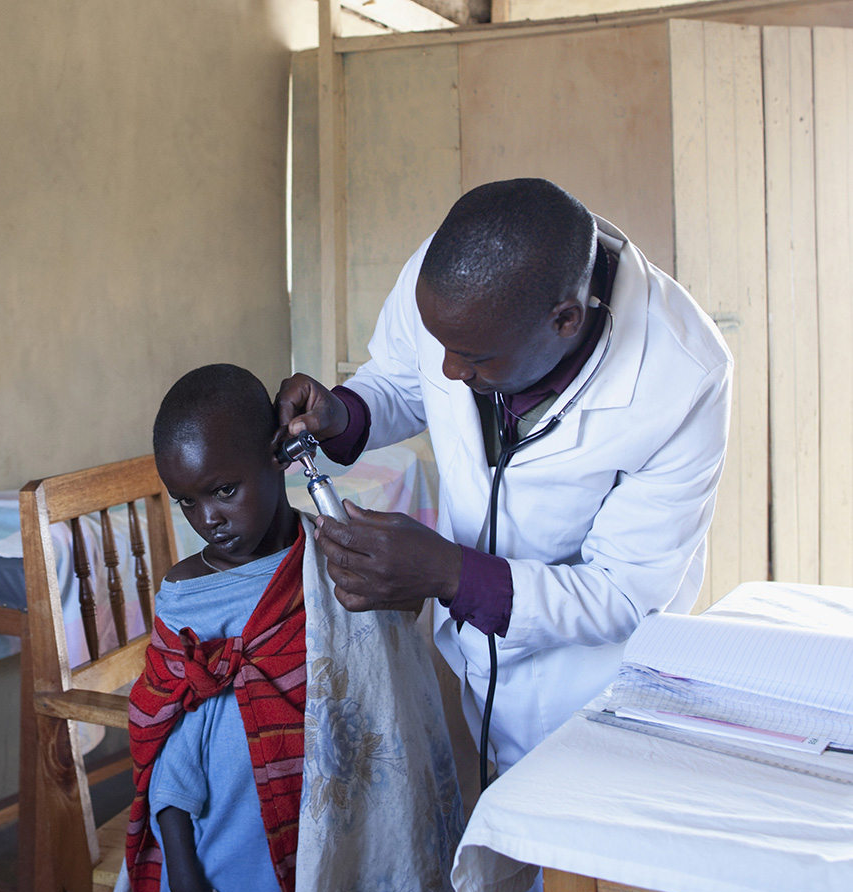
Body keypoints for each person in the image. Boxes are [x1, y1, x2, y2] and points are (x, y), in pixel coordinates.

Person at [275, 178, 733, 782]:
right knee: (496, 833)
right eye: (442, 345)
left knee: (568, 857)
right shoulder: (453, 280)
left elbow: (622, 591)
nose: (448, 368)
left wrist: (448, 573)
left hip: (585, 687)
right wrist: (342, 412)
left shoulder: (682, 375)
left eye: (476, 358)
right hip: (479, 659)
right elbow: (403, 380)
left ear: (565, 319)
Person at [124, 364, 463, 892]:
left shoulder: (339, 566)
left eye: (224, 490)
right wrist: (181, 869)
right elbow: (167, 737)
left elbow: (388, 691)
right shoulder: (186, 594)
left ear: (278, 454)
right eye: (187, 501)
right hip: (221, 847)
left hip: (338, 841)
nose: (208, 517)